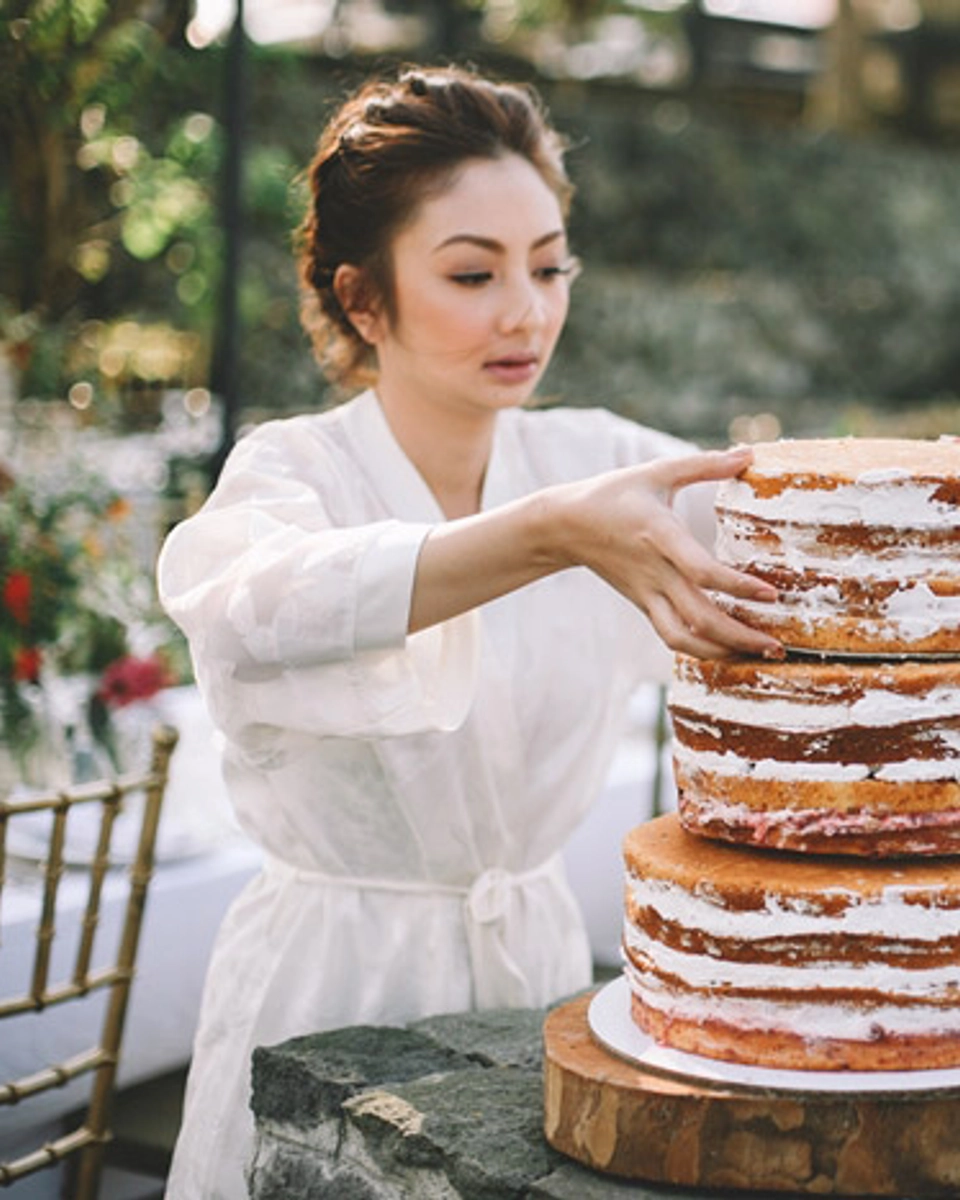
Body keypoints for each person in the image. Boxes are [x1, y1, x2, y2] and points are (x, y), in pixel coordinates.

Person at [156, 63, 780, 1199]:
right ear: (364, 300)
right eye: (473, 273)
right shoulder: (296, 471)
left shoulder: (594, 462)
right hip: (329, 987)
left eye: (550, 268)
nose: (526, 311)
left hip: (528, 987)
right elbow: (257, 610)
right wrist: (548, 536)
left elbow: (807, 526)